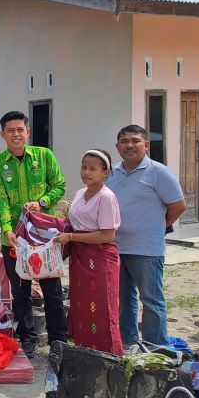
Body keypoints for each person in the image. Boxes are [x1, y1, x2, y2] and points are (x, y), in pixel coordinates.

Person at [0, 111, 67, 357]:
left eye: (20, 129)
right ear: (3, 134)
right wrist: (8, 230)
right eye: (10, 130)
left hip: (43, 238)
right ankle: (28, 338)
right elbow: (0, 200)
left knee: (51, 290)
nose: (16, 134)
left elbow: (60, 185)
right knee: (20, 292)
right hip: (13, 240)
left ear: (28, 132)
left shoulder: (44, 156)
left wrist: (42, 202)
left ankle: (58, 340)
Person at [108, 125, 186, 346]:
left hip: (147, 250)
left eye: (135, 140)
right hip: (116, 248)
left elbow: (178, 206)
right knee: (124, 299)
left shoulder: (159, 172)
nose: (130, 145)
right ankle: (128, 342)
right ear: (117, 146)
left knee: (151, 300)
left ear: (146, 145)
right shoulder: (111, 173)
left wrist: (157, 227)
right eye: (124, 141)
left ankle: (156, 346)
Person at [54, 150, 123, 355]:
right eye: (84, 167)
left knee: (103, 309)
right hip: (80, 257)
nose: (86, 172)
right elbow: (74, 223)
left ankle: (110, 355)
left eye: (93, 169)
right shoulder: (79, 193)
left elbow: (107, 236)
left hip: (100, 258)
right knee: (81, 305)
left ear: (105, 172)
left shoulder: (107, 197)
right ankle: (85, 351)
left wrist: (72, 238)